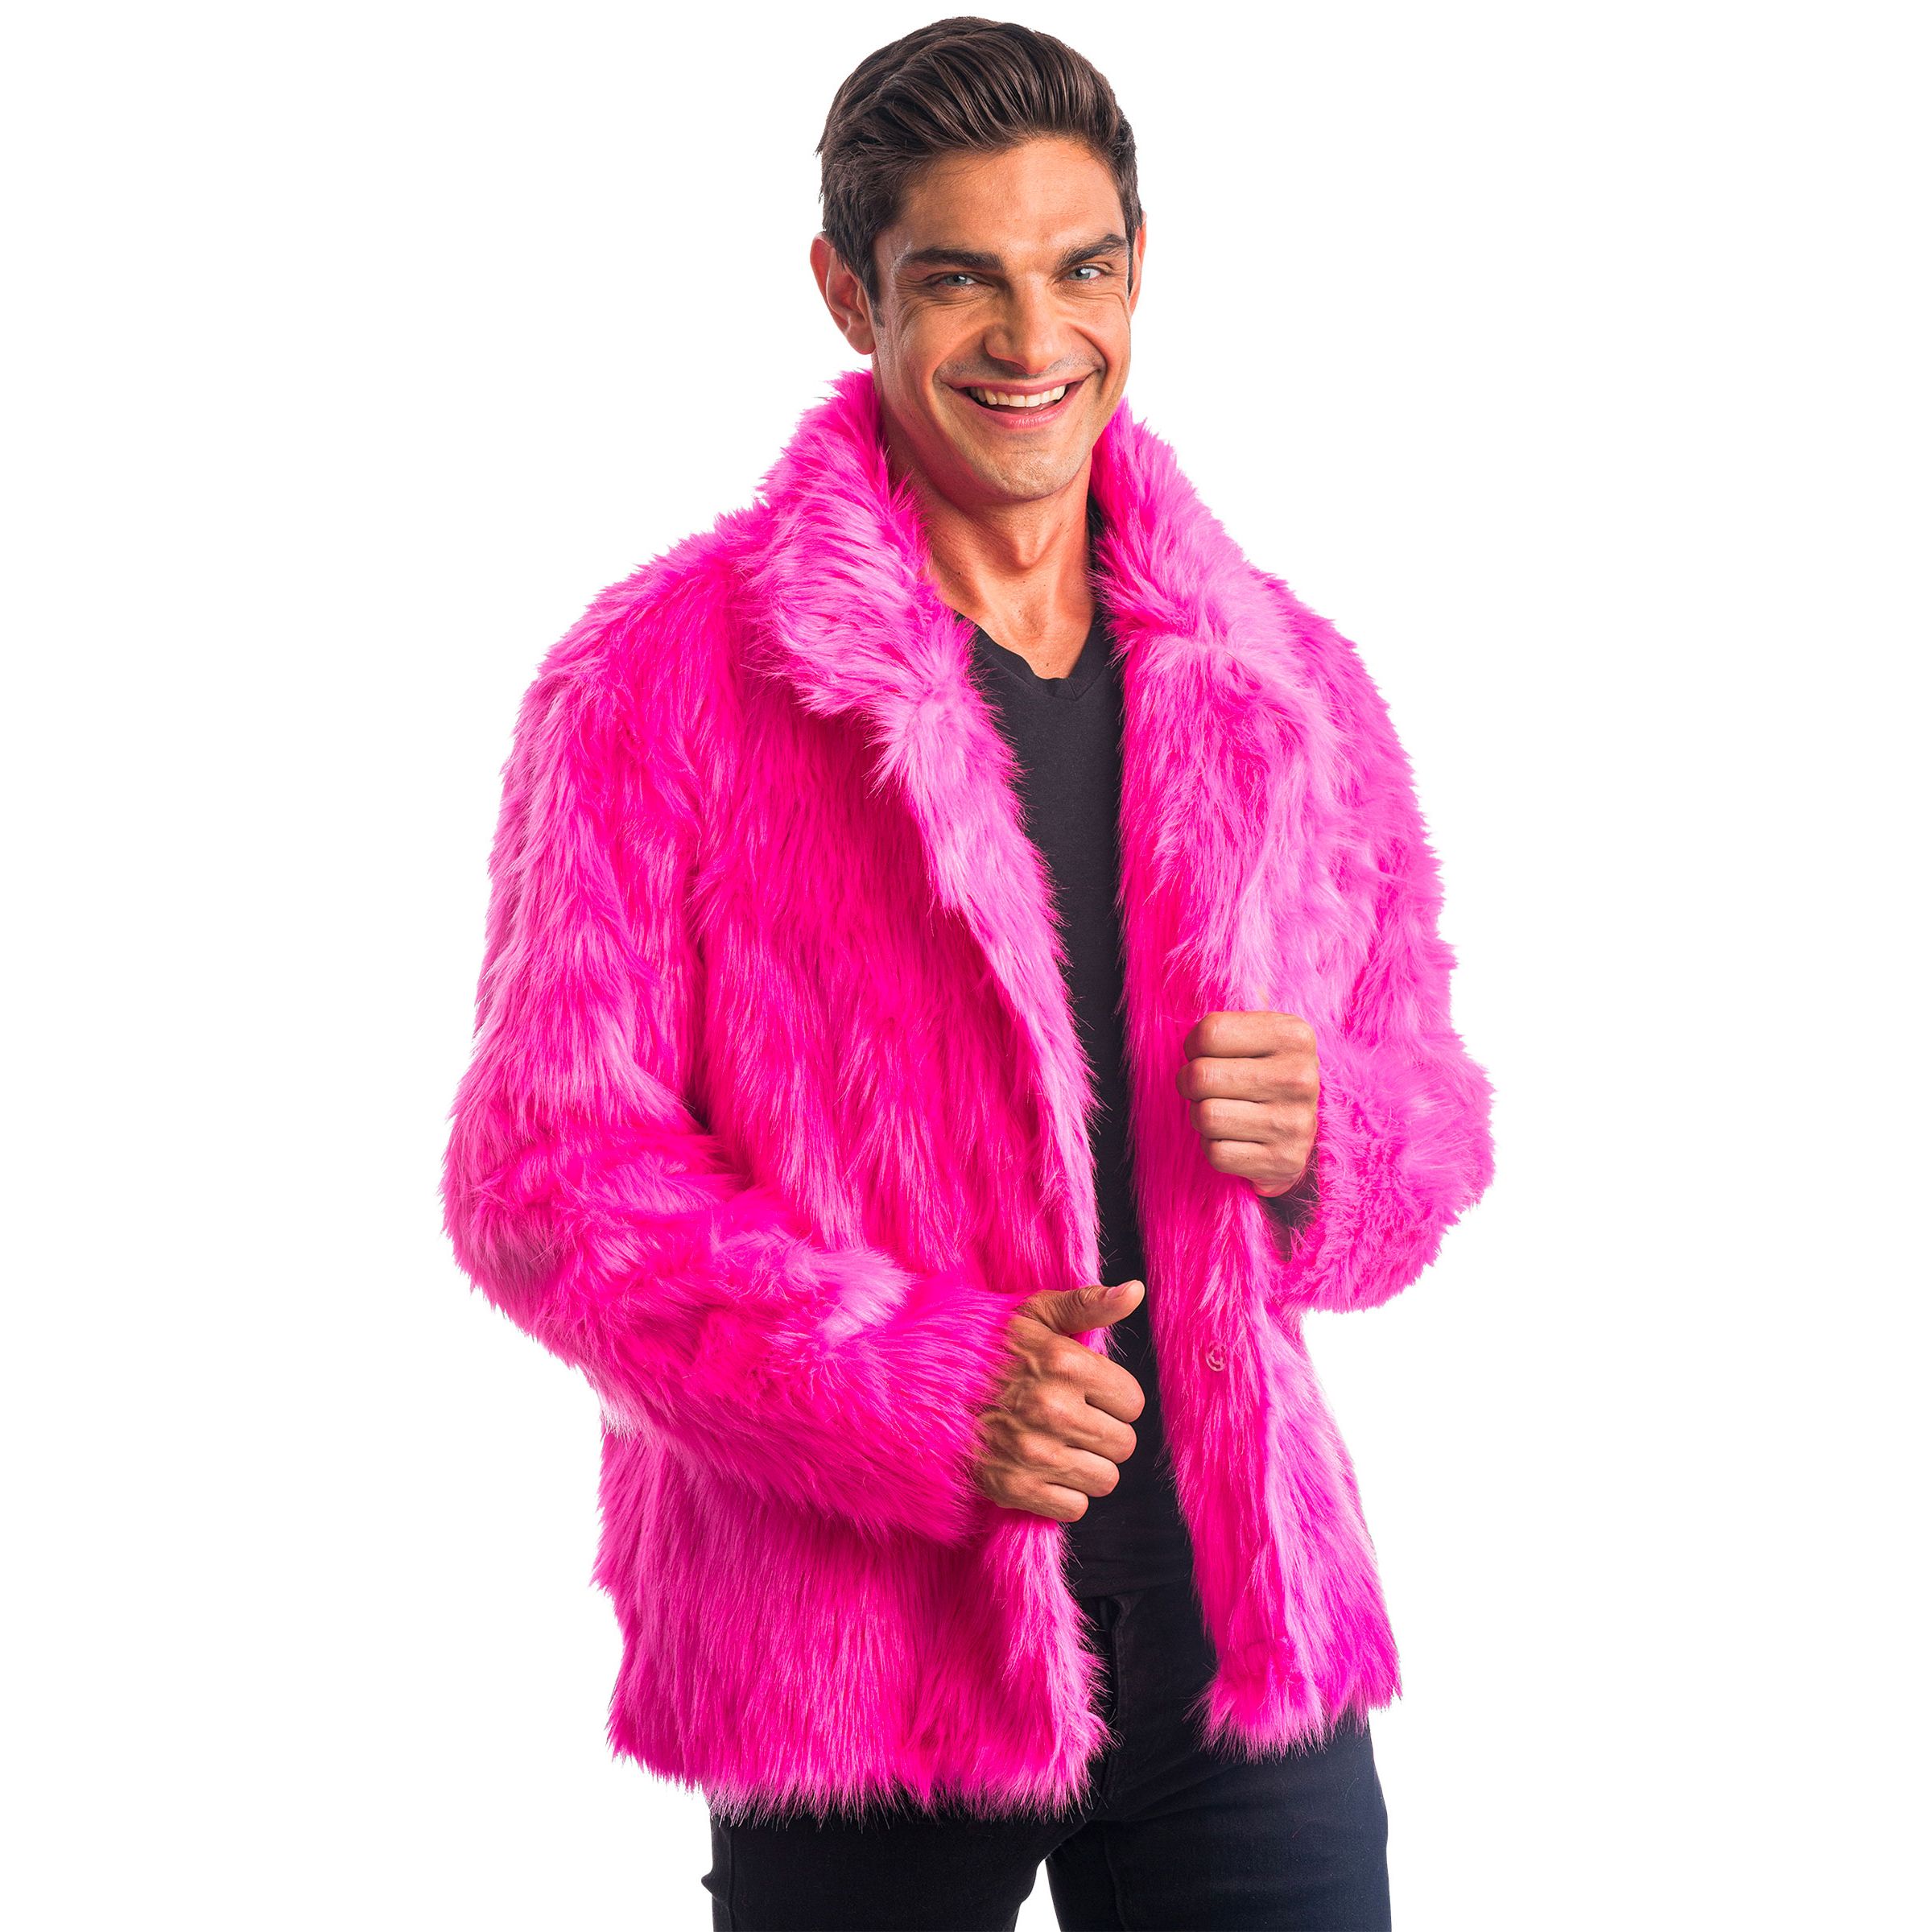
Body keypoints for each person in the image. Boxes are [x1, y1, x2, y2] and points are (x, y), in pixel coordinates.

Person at [441, 18, 1495, 1929]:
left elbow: (1426, 1126)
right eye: (960, 279)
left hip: (1242, 1644)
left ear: (1140, 269)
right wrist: (923, 1394)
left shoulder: (1284, 682)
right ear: (849, 291)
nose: (1035, 337)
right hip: (862, 1666)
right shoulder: (660, 683)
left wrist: (1334, 1141)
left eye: (1080, 268)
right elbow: (547, 1184)